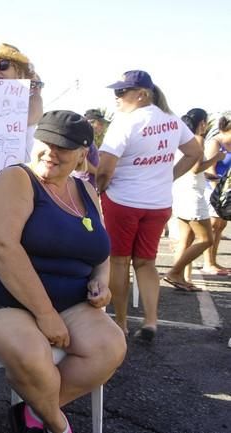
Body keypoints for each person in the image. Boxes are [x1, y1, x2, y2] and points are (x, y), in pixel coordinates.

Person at [0, 111, 126, 433]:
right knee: (31, 354)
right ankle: (55, 424)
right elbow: (1, 246)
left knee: (110, 345)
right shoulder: (15, 179)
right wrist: (45, 313)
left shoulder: (86, 192)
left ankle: (33, 413)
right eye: (47, 141)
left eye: (64, 146)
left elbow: (101, 250)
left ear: (83, 153)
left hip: (66, 300)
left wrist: (101, 282)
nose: (52, 151)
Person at [96, 70, 202, 341]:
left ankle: (120, 322)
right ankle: (151, 320)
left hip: (123, 200)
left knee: (119, 262)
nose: (116, 97)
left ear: (141, 94)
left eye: (122, 92)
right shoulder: (172, 120)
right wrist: (169, 176)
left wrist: (100, 188)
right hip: (158, 203)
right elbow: (194, 153)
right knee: (146, 262)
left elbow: (105, 168)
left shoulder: (125, 122)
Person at [164, 109, 225, 291]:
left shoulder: (180, 139)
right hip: (192, 196)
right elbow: (196, 168)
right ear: (202, 123)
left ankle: (181, 277)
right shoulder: (197, 139)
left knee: (186, 239)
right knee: (206, 239)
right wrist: (217, 158)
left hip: (181, 191)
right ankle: (175, 272)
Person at [0, 42, 44, 162]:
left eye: (3, 65)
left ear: (18, 71)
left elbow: (26, 118)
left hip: (16, 173)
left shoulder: (32, 98)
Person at [202, 112, 231, 275]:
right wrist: (217, 192)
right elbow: (209, 170)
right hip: (212, 189)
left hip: (226, 190)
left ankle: (214, 260)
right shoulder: (215, 142)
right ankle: (208, 263)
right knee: (213, 226)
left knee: (221, 225)